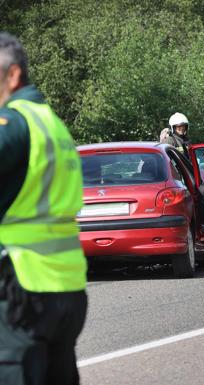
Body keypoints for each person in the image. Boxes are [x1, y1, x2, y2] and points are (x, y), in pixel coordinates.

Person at [0, 32, 88, 385]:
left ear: (14, 75)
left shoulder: (14, 123)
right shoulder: (51, 124)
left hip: (23, 288)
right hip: (65, 289)